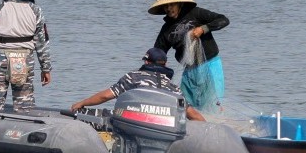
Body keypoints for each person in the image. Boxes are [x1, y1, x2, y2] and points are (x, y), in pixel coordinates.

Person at [149, 0, 229, 113]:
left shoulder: (195, 13)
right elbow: (158, 52)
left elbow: (223, 20)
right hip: (189, 70)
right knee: (184, 106)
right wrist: (154, 67)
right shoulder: (166, 29)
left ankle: (218, 124)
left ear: (179, 3)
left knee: (213, 104)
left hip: (209, 64)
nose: (169, 9)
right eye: (166, 6)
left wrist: (203, 29)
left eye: (172, 5)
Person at [70, 48, 206, 121]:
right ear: (165, 65)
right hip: (163, 124)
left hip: (133, 122)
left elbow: (105, 96)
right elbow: (193, 115)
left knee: (82, 113)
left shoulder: (133, 77)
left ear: (146, 62)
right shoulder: (172, 87)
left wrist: (82, 103)